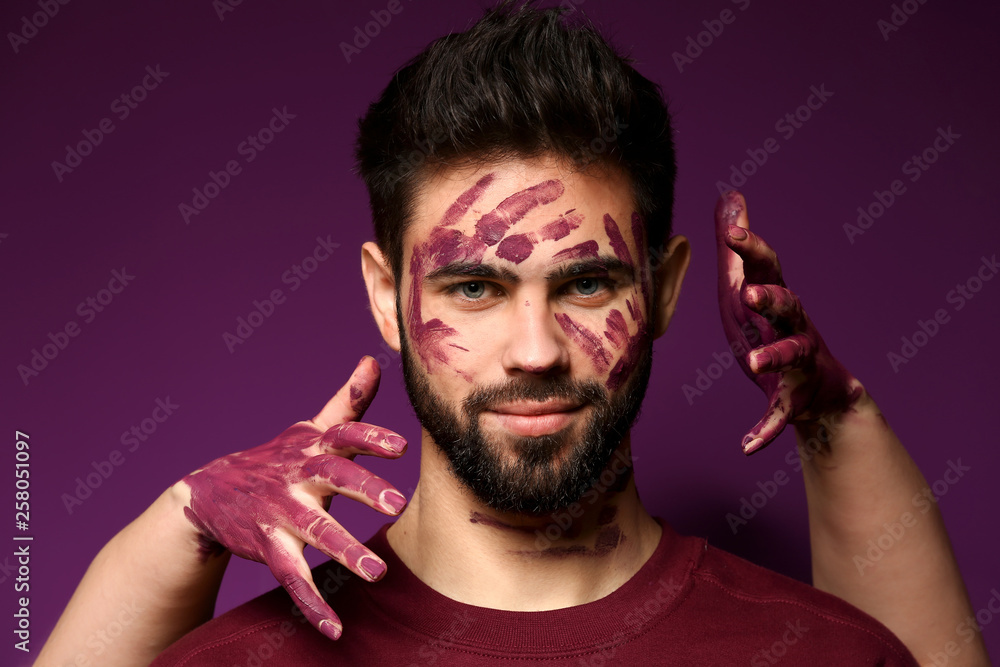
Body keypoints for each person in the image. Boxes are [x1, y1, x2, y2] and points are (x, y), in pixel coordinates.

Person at [36, 3, 988, 666]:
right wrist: (185, 513)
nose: (535, 349)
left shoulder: (830, 653)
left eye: (585, 282)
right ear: (384, 294)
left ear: (663, 291)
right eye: (475, 286)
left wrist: (836, 415)